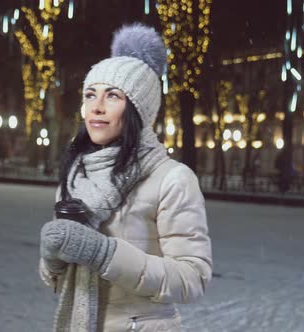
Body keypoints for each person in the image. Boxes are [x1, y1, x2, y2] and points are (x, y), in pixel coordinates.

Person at [39, 23, 212, 332]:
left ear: (137, 109)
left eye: (113, 95)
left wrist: (105, 254)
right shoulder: (77, 174)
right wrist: (51, 258)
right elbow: (61, 280)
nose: (97, 107)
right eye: (90, 94)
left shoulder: (172, 178)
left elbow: (192, 279)